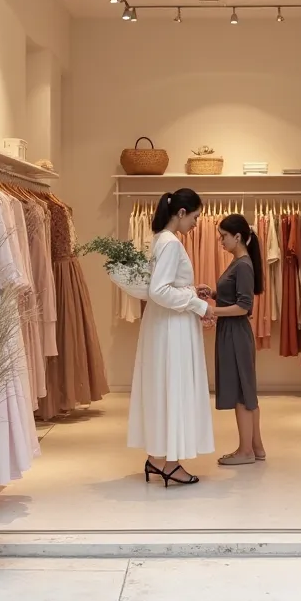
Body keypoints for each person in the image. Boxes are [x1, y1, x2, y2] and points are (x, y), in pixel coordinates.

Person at [127, 188, 215, 486]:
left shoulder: (159, 240)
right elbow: (159, 291)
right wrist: (198, 304)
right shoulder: (172, 243)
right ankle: (171, 464)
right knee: (174, 387)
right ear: (181, 213)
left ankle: (156, 459)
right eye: (195, 216)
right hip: (171, 329)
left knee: (164, 388)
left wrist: (191, 290)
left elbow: (163, 286)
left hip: (163, 324)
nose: (196, 223)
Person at [197, 213, 265, 466]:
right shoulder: (239, 263)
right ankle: (255, 447)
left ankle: (245, 451)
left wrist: (211, 310)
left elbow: (244, 307)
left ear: (238, 237)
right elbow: (234, 297)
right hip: (232, 332)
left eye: (223, 236)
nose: (220, 241)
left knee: (241, 392)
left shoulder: (243, 265)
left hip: (235, 332)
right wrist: (213, 294)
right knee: (245, 389)